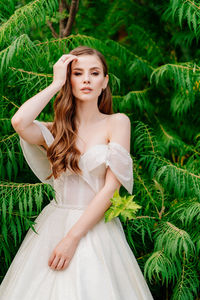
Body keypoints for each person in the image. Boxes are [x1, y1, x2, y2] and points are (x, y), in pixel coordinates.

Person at [0, 45, 154, 299]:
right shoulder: (54, 131)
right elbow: (19, 122)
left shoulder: (117, 122)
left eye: (94, 73)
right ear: (69, 80)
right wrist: (55, 83)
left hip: (96, 229)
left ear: (104, 82)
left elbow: (110, 188)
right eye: (77, 73)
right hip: (53, 224)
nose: (86, 79)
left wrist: (71, 239)